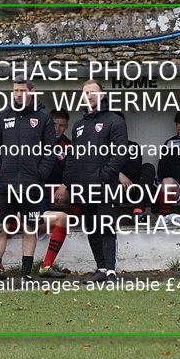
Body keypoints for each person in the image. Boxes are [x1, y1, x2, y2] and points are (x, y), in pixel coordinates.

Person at [0, 76, 57, 283]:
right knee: (0, 228)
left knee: (30, 228)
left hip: (31, 185)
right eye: (15, 90)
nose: (18, 94)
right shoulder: (2, 116)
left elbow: (50, 150)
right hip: (5, 184)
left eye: (22, 91)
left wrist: (40, 173)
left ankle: (25, 275)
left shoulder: (43, 119)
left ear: (31, 92)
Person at [64, 79, 129, 283]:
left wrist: (105, 174)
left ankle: (111, 271)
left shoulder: (114, 120)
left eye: (93, 91)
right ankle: (100, 268)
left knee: (106, 227)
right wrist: (69, 178)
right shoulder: (79, 125)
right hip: (83, 186)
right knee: (91, 227)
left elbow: (121, 152)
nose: (89, 95)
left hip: (104, 185)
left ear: (102, 95)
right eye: (85, 92)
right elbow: (74, 155)